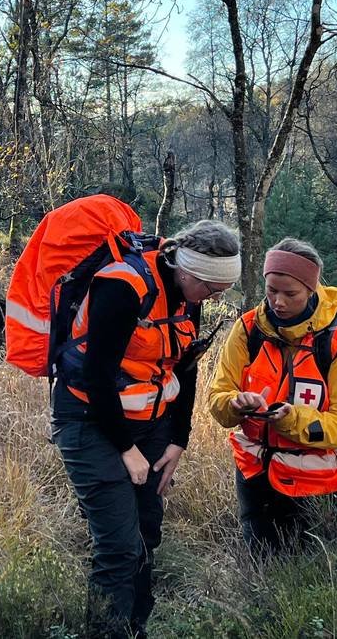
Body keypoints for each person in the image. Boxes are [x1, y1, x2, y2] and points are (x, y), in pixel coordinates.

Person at [51, 219, 241, 639]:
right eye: (212, 290)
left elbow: (184, 368)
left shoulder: (190, 295)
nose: (214, 298)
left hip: (151, 423)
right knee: (119, 547)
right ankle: (106, 632)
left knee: (146, 532)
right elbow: (98, 377)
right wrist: (127, 450)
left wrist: (178, 440)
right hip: (87, 418)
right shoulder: (123, 288)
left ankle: (134, 628)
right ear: (188, 272)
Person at [207, 238, 337, 555]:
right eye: (271, 291)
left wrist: (292, 420)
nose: (278, 302)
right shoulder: (247, 329)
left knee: (336, 578)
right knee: (263, 576)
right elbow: (218, 397)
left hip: (326, 487)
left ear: (311, 289)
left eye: (290, 294)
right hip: (258, 481)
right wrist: (235, 405)